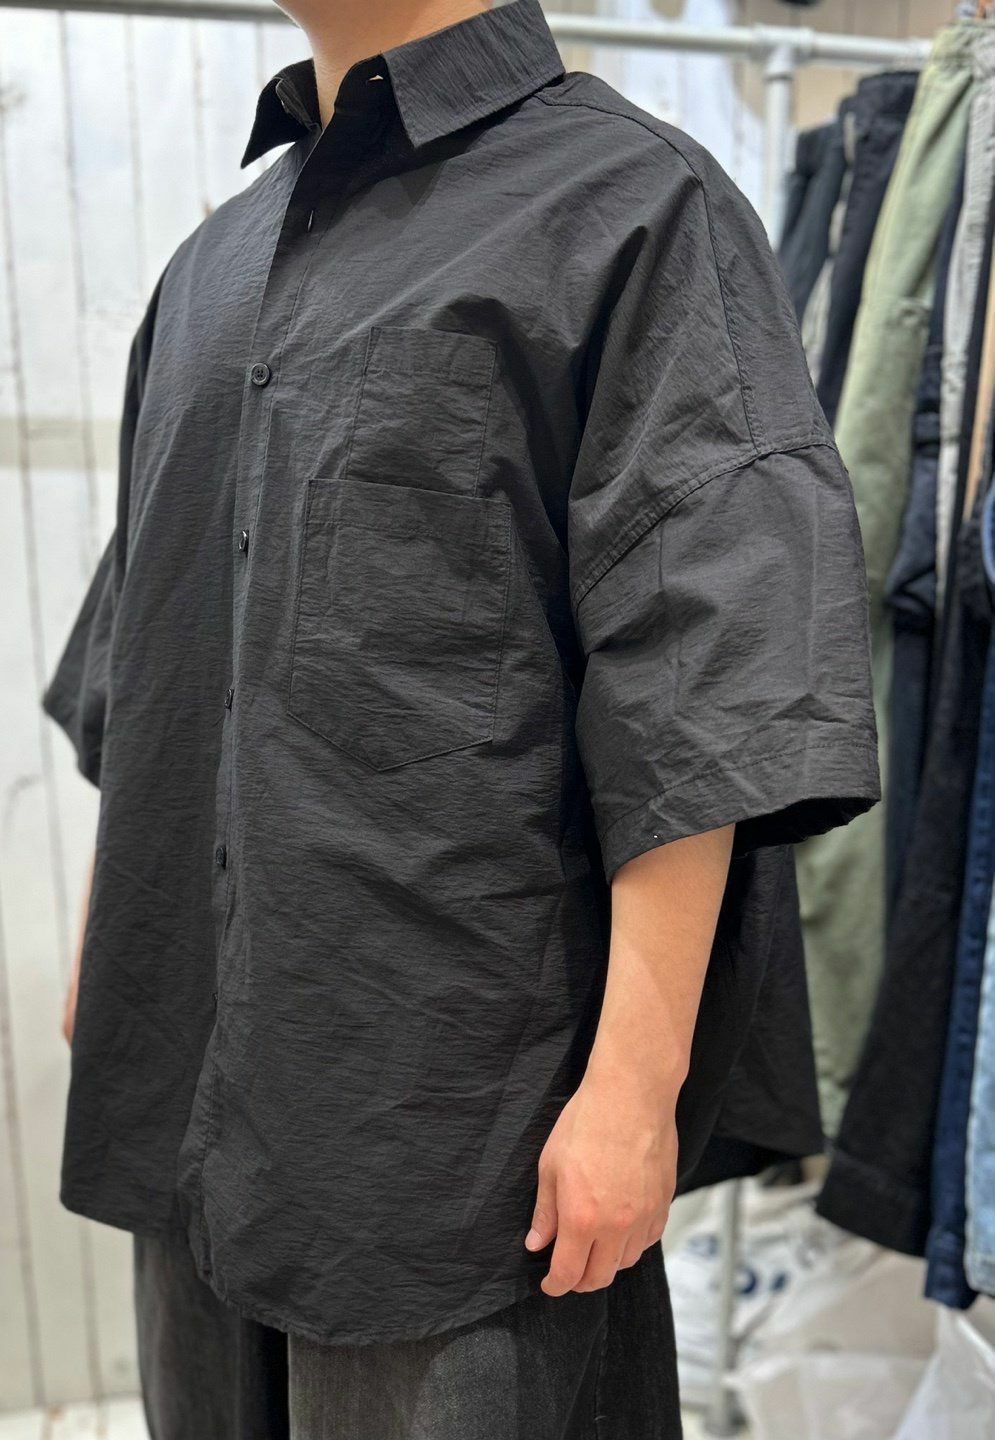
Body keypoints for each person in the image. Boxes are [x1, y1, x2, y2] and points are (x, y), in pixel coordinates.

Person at [44, 1, 880, 1435]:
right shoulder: (215, 262)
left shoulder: (636, 209)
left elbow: (705, 673)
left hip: (454, 1131)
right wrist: (106, 942)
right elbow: (155, 636)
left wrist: (635, 1090)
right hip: (193, 1072)